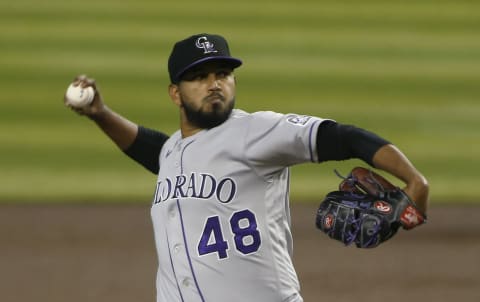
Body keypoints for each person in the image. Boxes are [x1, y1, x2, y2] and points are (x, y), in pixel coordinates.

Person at [65, 33, 429, 302]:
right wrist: (101, 114)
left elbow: (343, 137)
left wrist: (414, 181)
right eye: (199, 77)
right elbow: (156, 151)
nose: (214, 84)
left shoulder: (256, 132)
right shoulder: (175, 150)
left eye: (222, 73)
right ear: (175, 93)